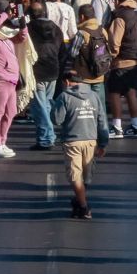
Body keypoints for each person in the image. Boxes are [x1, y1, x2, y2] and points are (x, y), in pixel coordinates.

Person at [51, 75, 98, 219]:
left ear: (66, 82)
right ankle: (79, 201)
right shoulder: (94, 96)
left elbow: (57, 119)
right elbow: (101, 119)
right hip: (91, 140)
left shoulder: (65, 97)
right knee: (86, 176)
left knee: (75, 175)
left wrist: (54, 107)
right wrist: (103, 142)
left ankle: (84, 207)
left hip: (73, 141)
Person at [0, 16, 23, 158]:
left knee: (11, 112)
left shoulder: (8, 38)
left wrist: (23, 25)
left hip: (12, 80)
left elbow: (22, 37)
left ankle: (2, 141)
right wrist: (4, 14)